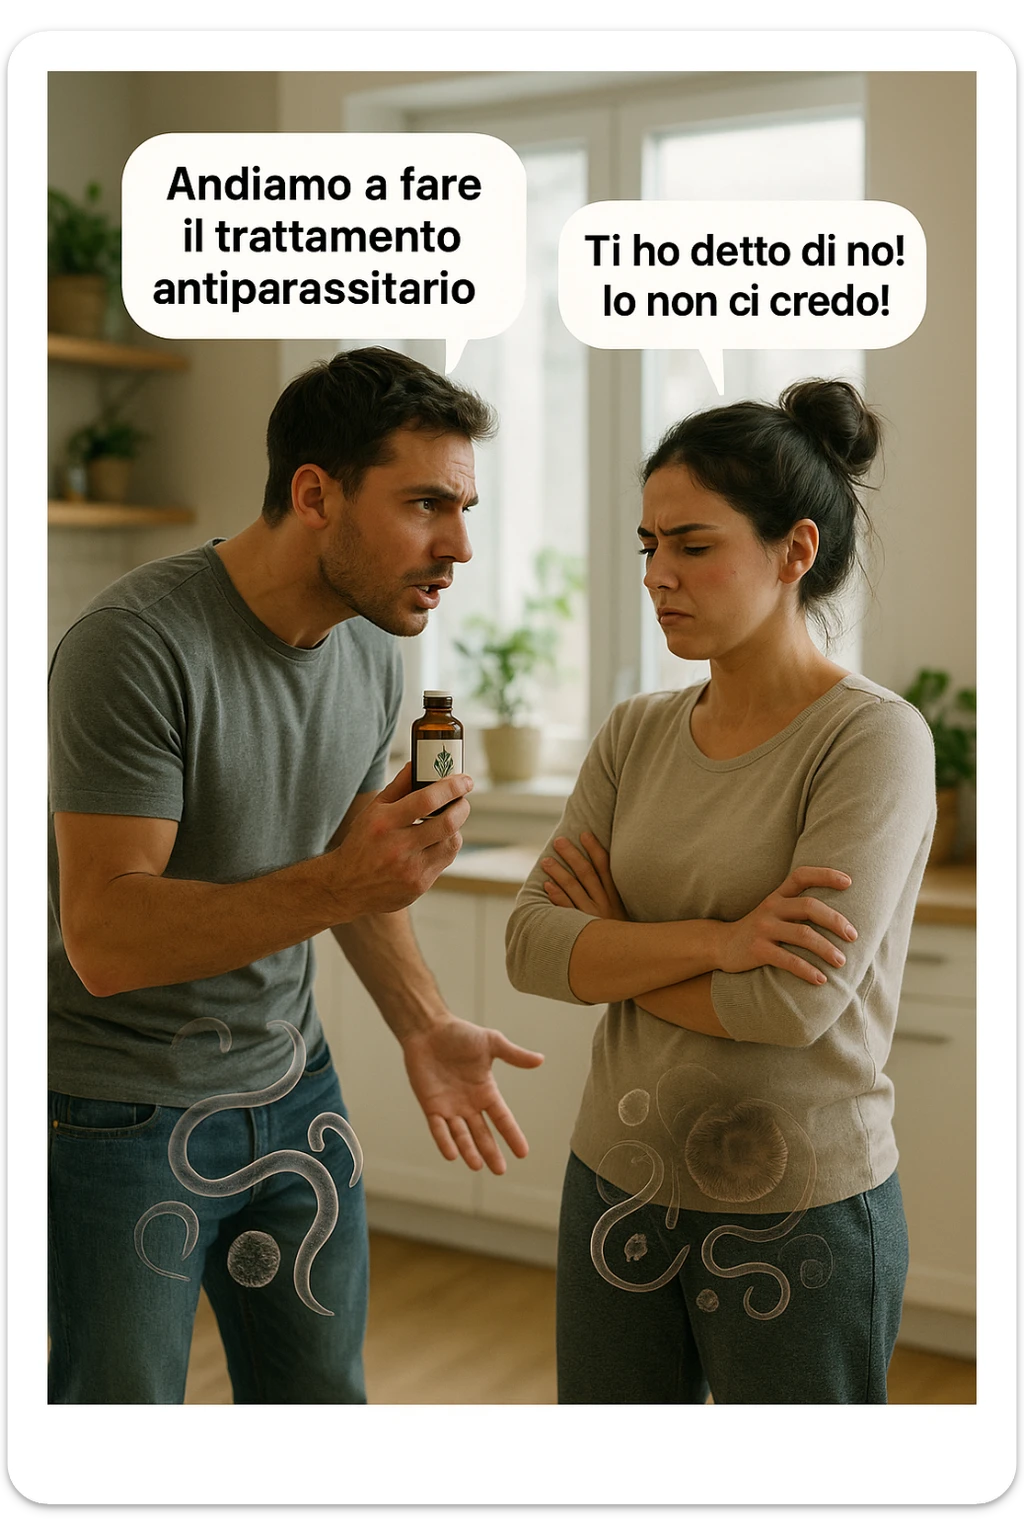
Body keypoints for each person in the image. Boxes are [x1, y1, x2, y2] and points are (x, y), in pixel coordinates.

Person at [48, 346, 544, 1405]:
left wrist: (422, 1024)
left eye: (462, 507)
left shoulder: (369, 648)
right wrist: (349, 883)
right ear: (314, 494)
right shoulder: (134, 646)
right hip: (118, 1114)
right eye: (424, 505)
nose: (457, 544)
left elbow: (344, 871)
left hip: (290, 1084)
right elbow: (105, 937)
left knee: (320, 1414)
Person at [506, 379, 936, 1405]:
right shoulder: (635, 731)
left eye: (692, 545)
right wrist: (719, 939)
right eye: (648, 544)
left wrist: (611, 945)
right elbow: (530, 946)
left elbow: (786, 1005)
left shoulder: (871, 739)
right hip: (616, 1176)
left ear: (794, 552)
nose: (657, 574)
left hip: (799, 1201)